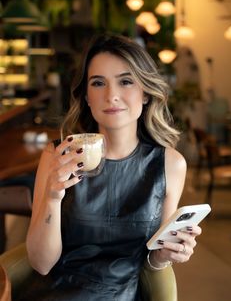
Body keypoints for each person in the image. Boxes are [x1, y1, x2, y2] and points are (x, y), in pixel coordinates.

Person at [21, 33, 201, 301]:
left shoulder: (170, 164)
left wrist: (165, 256)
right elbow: (41, 263)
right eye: (98, 83)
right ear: (87, 97)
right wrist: (52, 197)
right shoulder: (58, 154)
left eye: (126, 82)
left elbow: (153, 261)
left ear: (145, 94)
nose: (111, 95)